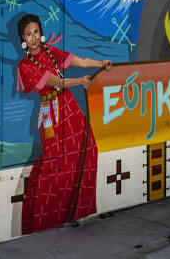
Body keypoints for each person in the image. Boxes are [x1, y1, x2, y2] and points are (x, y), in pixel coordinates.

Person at [15, 13, 111, 234]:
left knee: (88, 149)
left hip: (69, 107)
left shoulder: (51, 51)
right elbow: (56, 81)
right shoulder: (25, 65)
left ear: (41, 32)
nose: (33, 37)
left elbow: (80, 61)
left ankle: (79, 209)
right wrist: (80, 81)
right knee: (54, 162)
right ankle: (47, 217)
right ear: (23, 38)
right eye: (28, 34)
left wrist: (101, 63)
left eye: (36, 32)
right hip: (50, 114)